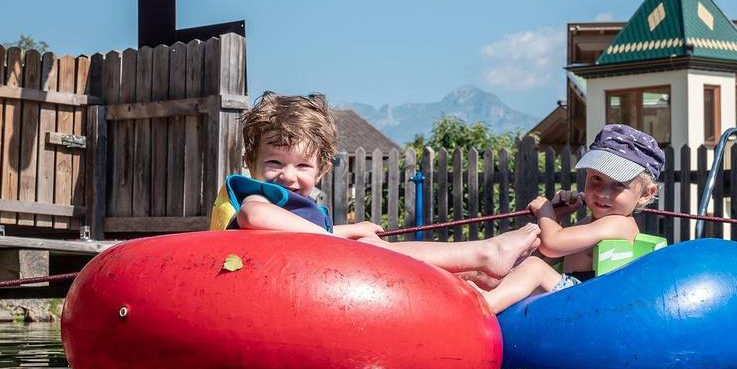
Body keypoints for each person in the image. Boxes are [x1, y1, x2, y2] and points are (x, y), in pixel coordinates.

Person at [209, 91, 541, 287]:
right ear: (250, 162)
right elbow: (254, 216)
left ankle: (469, 270)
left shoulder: (295, 210)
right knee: (368, 248)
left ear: (322, 171)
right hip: (262, 282)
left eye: (302, 166)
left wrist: (349, 230)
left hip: (296, 278)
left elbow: (301, 233)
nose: (288, 176)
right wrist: (338, 238)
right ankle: (483, 254)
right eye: (274, 163)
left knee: (371, 243)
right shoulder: (260, 197)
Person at [471, 124, 664, 313]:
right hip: (574, 299)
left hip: (591, 306)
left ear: (646, 193)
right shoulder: (590, 224)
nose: (602, 193)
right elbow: (547, 256)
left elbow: (552, 244)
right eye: (596, 179)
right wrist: (558, 216)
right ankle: (481, 299)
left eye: (619, 184)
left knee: (534, 269)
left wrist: (545, 211)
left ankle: (479, 310)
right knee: (518, 269)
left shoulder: (619, 224)